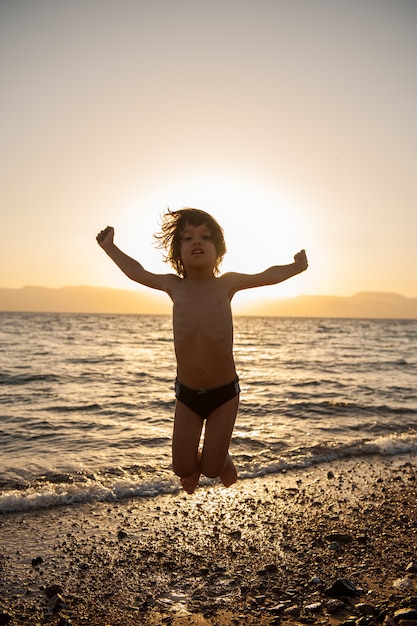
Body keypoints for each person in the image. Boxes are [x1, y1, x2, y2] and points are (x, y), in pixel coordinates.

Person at [96, 208, 308, 494]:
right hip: (188, 395)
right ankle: (210, 457)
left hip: (224, 394)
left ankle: (219, 458)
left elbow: (266, 275)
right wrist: (110, 247)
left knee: (211, 470)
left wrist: (295, 267)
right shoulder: (173, 286)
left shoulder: (227, 283)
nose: (197, 242)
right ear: (177, 252)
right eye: (188, 238)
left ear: (218, 249)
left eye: (205, 237)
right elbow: (136, 272)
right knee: (182, 468)